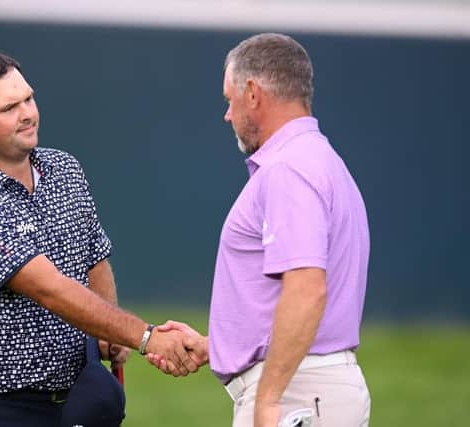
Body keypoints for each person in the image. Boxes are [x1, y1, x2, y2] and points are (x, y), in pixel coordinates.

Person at [0, 50, 198, 427]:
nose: (27, 113)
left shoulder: (64, 169)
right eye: (9, 108)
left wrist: (111, 334)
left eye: (28, 98)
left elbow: (94, 257)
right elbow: (50, 288)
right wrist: (146, 337)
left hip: (78, 398)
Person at [149, 33, 371, 427]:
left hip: (297, 393)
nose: (227, 115)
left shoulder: (289, 169)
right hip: (309, 389)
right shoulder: (316, 159)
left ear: (252, 93)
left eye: (229, 99)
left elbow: (306, 287)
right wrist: (217, 347)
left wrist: (268, 402)